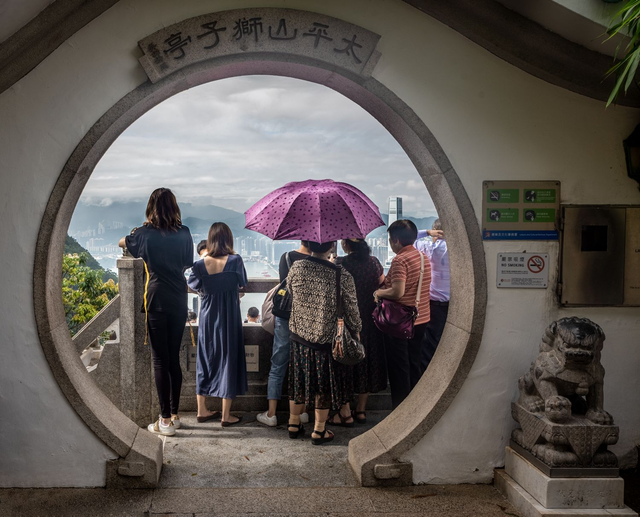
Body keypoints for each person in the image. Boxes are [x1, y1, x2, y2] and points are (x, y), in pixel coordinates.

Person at [118, 188, 194, 436]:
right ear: (174, 207)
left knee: (160, 359)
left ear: (151, 208)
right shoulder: (184, 233)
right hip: (179, 299)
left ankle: (164, 421)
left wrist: (136, 232)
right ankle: (174, 415)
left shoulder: (144, 234)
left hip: (156, 299)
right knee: (173, 359)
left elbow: (123, 242)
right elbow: (187, 262)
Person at [287, 241, 362, 445]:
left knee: (298, 380)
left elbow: (290, 292)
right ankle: (319, 430)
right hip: (326, 340)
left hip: (299, 336)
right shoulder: (341, 274)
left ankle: (293, 423)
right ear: (331, 247)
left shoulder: (297, 266)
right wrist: (357, 331)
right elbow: (352, 309)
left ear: (309, 245)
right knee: (323, 385)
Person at [187, 222, 248, 427]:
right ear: (229, 239)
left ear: (210, 239)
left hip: (207, 318)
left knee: (205, 360)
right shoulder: (235, 260)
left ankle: (201, 410)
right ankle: (226, 415)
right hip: (229, 317)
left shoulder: (199, 265)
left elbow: (193, 284)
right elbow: (242, 283)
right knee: (228, 360)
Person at [374, 220, 431, 409]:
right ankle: (415, 406)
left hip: (401, 322)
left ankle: (400, 409)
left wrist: (379, 293)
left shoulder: (400, 260)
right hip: (421, 318)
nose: (391, 244)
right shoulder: (422, 257)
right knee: (414, 363)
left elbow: (398, 292)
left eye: (391, 240)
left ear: (396, 240)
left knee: (399, 368)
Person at [256, 241, 311, 427]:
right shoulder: (318, 262)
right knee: (304, 365)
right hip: (307, 318)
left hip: (284, 315)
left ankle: (271, 414)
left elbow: (284, 283)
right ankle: (302, 412)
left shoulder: (286, 257)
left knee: (278, 364)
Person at [334, 238, 386, 424]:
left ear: (347, 245)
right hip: (370, 320)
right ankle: (361, 410)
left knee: (345, 363)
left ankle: (345, 410)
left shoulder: (342, 263)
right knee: (368, 362)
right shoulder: (374, 262)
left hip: (348, 321)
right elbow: (382, 283)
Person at [414, 219, 449, 372]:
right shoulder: (455, 249)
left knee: (430, 343)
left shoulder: (431, 248)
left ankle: (429, 374)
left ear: (436, 231)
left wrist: (428, 232)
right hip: (454, 303)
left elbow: (410, 237)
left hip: (434, 304)